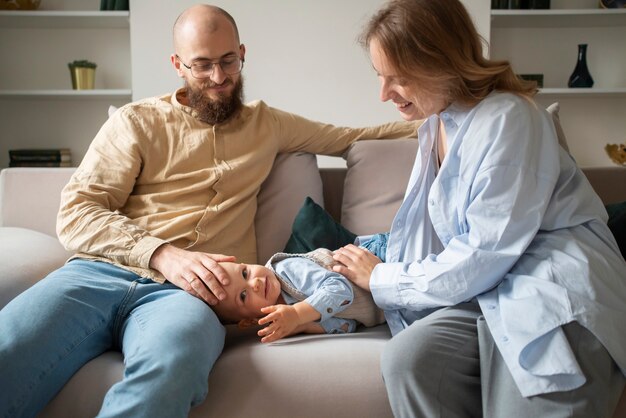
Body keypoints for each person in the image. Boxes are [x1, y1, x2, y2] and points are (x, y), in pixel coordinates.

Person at [0, 4, 417, 418]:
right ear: (177, 64)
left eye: (228, 61)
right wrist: (163, 253)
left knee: (172, 367)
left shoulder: (267, 123)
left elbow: (357, 136)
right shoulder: (136, 122)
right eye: (202, 66)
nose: (219, 78)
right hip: (97, 273)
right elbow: (76, 211)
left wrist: (455, 105)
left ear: (242, 53)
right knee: (9, 350)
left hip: (188, 300)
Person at [332, 1, 626, 417]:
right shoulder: (436, 126)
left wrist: (382, 278)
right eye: (381, 76)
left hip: (550, 283)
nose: (383, 94)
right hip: (492, 288)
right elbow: (432, 243)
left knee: (537, 381)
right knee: (409, 359)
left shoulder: (511, 119)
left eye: (397, 78)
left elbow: (484, 252)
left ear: (440, 62)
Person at [210, 248, 385, 343]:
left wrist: (298, 314)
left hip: (382, 258)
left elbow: (340, 290)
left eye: (244, 273)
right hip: (388, 302)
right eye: (242, 295)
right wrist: (304, 325)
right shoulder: (286, 318)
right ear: (249, 321)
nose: (254, 283)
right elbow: (348, 324)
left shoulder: (286, 270)